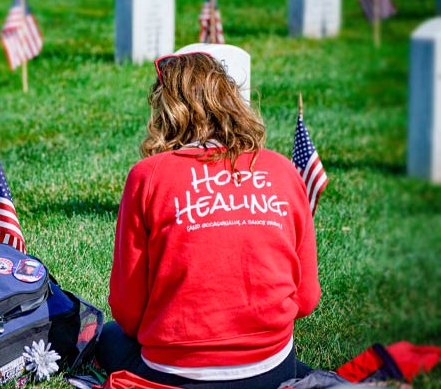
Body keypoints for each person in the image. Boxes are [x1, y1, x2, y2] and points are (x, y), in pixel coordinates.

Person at [95, 44, 321, 389]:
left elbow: (127, 310)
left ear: (166, 110)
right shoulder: (281, 168)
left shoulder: (148, 176)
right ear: (232, 100)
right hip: (271, 367)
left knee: (108, 337)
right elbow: (306, 299)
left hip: (177, 372)